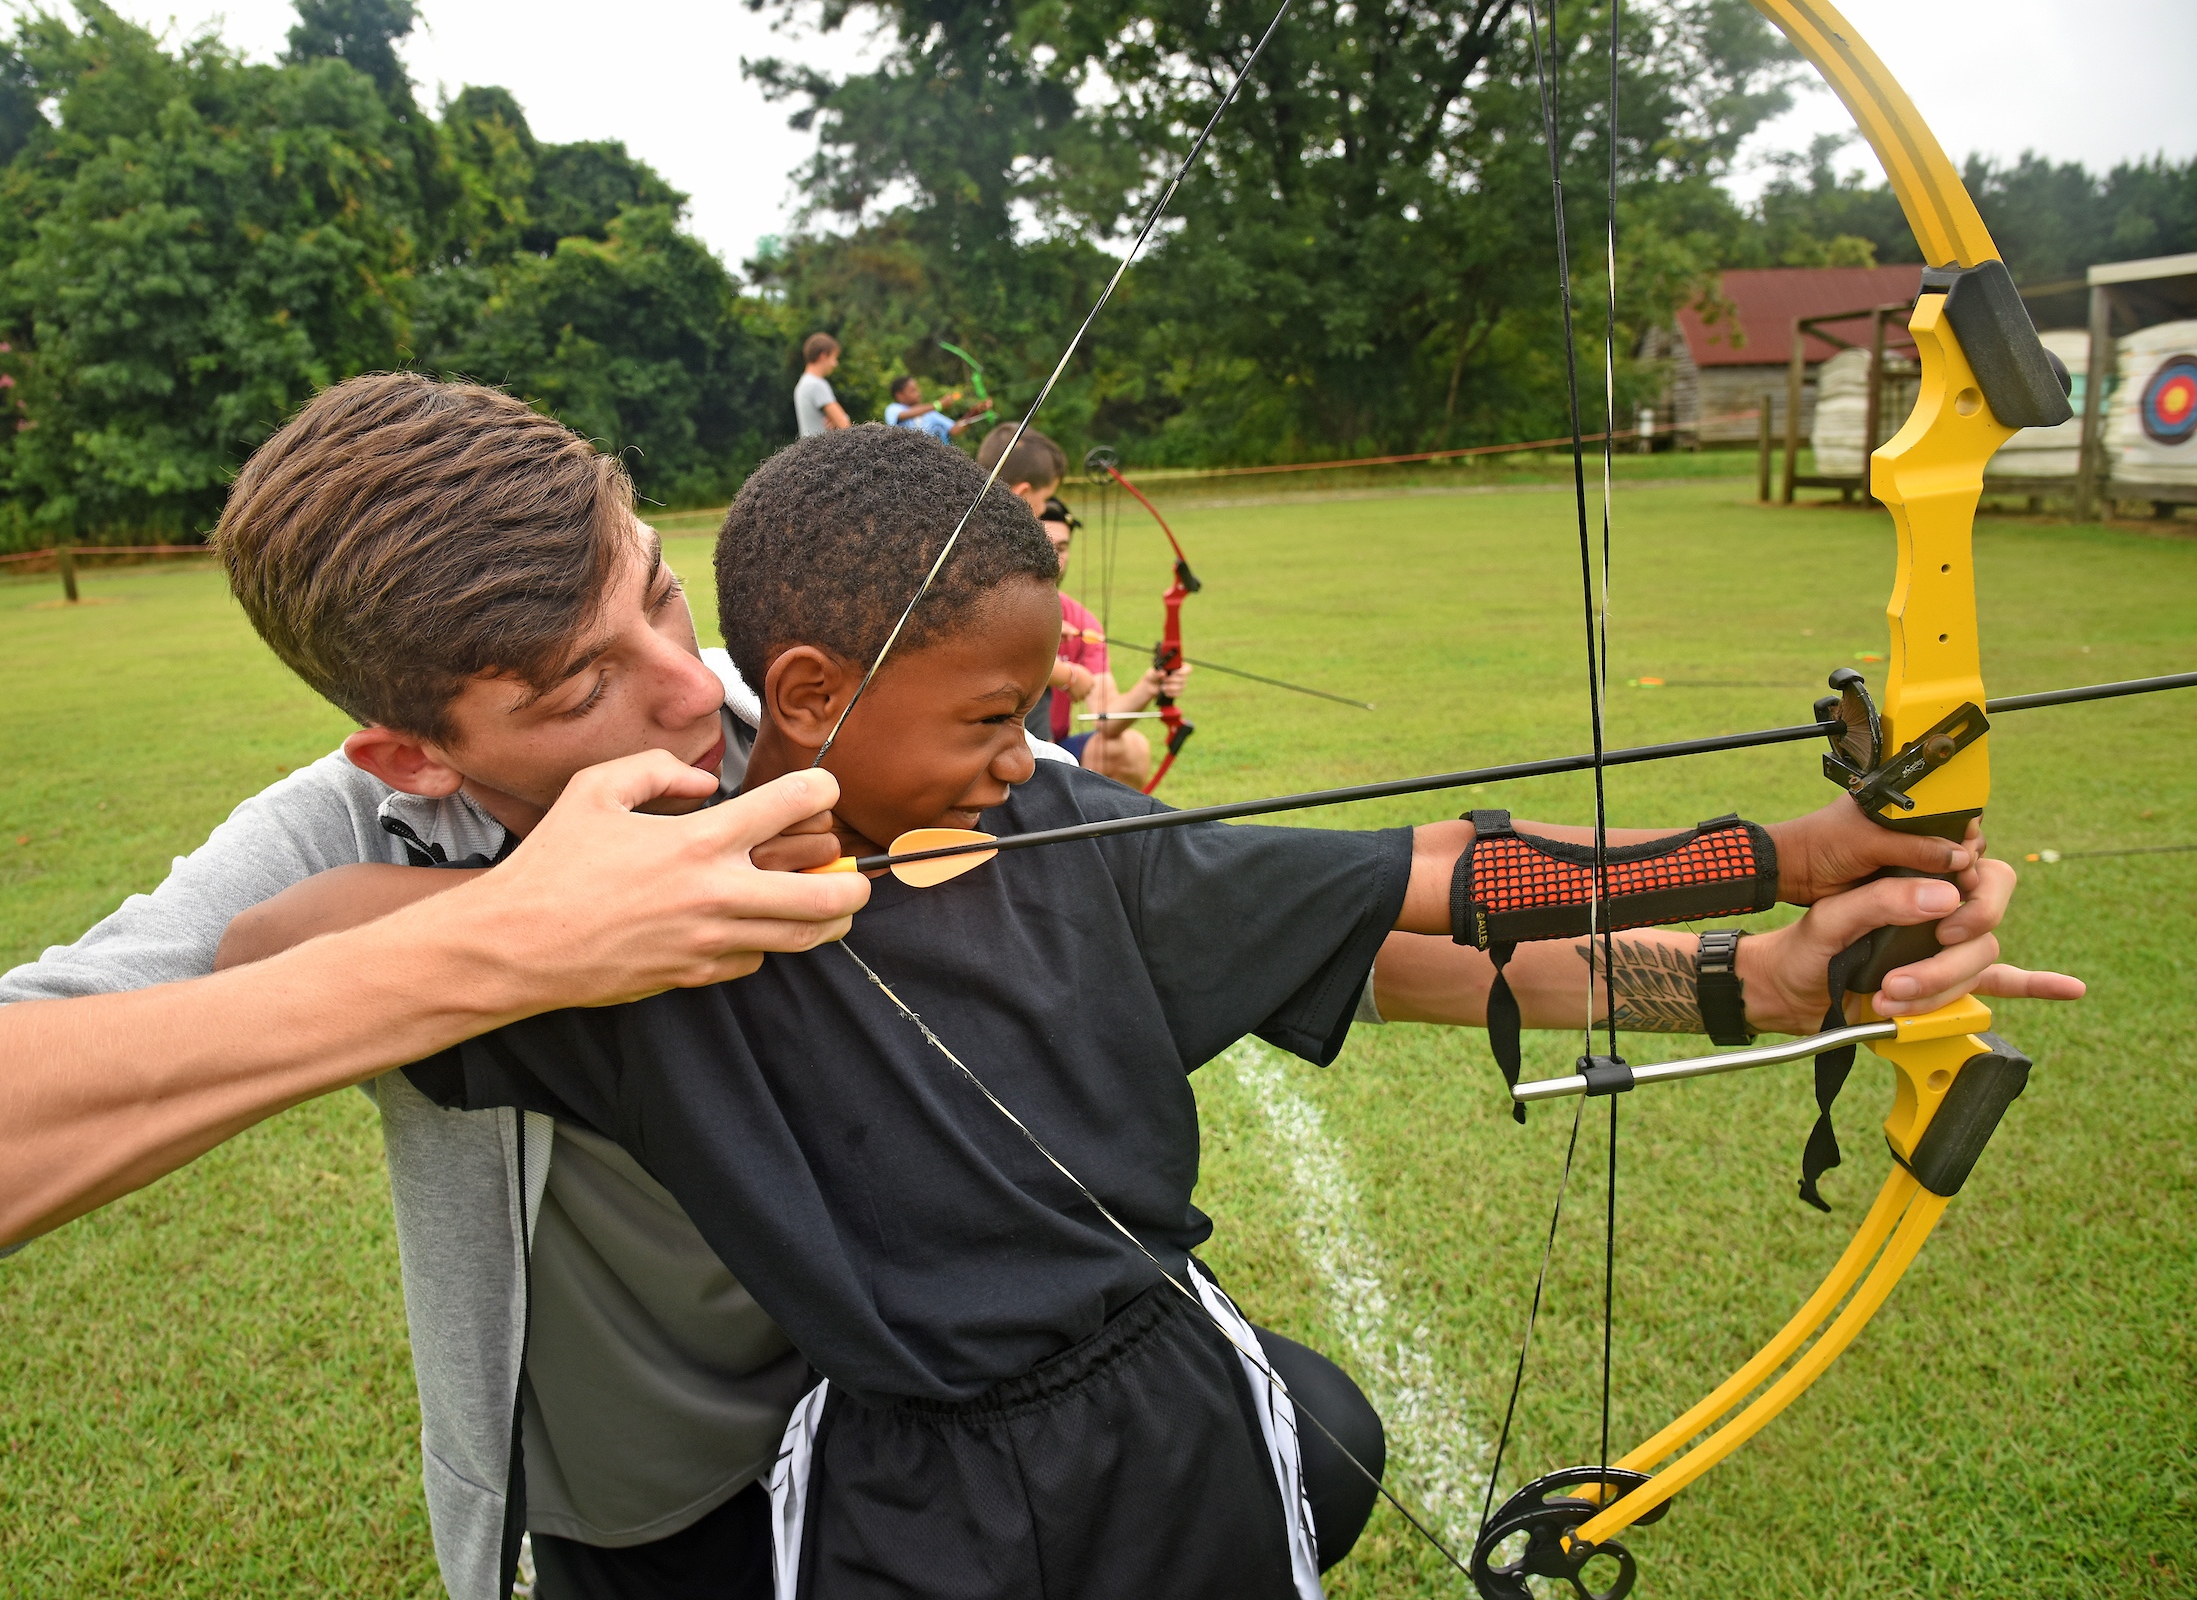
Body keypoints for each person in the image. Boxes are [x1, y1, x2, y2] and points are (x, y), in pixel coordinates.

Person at [243, 426, 2076, 1597]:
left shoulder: (1051, 824)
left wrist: (1778, 869)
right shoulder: (605, 954)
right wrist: (557, 922)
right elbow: (272, 959)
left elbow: (1429, 883)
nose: (1014, 751)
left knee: (1315, 1451)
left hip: (1159, 1412)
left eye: (654, 604)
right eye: (979, 720)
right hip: (839, 1489)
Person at [0, 375, 882, 1600]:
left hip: (894, 1419)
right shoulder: (342, 828)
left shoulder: (804, 701)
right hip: (632, 1500)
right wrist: (513, 940)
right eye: (582, 687)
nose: (691, 687)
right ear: (411, 754)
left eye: (662, 595)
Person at [979, 423, 1184, 786]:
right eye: (1046, 542)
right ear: (1024, 498)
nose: (1054, 560)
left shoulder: (1078, 619)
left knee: (1125, 750)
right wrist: (1066, 673)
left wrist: (1153, 682)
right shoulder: (980, 576)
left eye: (1063, 548)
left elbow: (1105, 717)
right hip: (980, 747)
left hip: (1043, 746)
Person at [881, 373, 991, 443]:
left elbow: (955, 429)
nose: (918, 393)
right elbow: (904, 415)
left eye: (917, 389)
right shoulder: (893, 409)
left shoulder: (931, 413)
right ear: (900, 395)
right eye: (913, 390)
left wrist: (975, 412)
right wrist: (939, 404)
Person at [793, 333, 850, 437]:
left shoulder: (802, 384)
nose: (835, 364)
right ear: (823, 356)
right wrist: (840, 421)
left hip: (807, 450)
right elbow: (845, 425)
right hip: (824, 451)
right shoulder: (817, 384)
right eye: (834, 358)